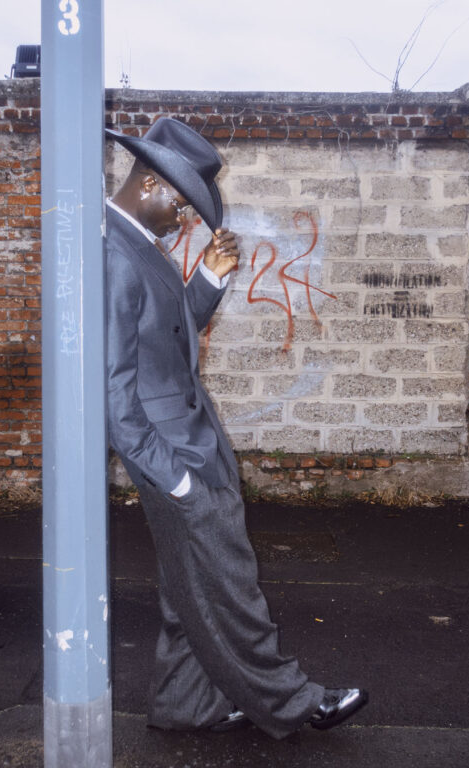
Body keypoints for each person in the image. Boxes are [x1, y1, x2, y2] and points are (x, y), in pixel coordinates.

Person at [104, 117, 367, 739]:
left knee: (188, 593)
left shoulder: (137, 242)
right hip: (174, 459)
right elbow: (113, 397)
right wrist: (176, 482)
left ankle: (182, 705)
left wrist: (211, 276)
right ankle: (294, 702)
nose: (187, 218)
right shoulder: (114, 254)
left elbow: (168, 338)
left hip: (191, 443)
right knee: (230, 586)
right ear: (150, 186)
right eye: (183, 204)